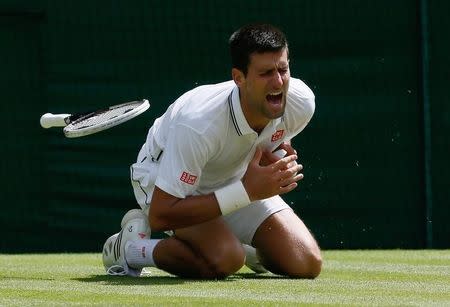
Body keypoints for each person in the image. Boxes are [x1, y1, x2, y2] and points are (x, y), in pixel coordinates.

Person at [102, 23, 322, 279]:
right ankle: (131, 249)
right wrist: (247, 191)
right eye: (265, 73)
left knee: (306, 263)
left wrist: (278, 163)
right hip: (167, 186)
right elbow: (162, 215)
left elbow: (272, 143)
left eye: (283, 69)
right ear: (239, 78)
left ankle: (240, 244)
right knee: (226, 259)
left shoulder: (300, 102)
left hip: (235, 179)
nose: (278, 81)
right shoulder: (199, 124)